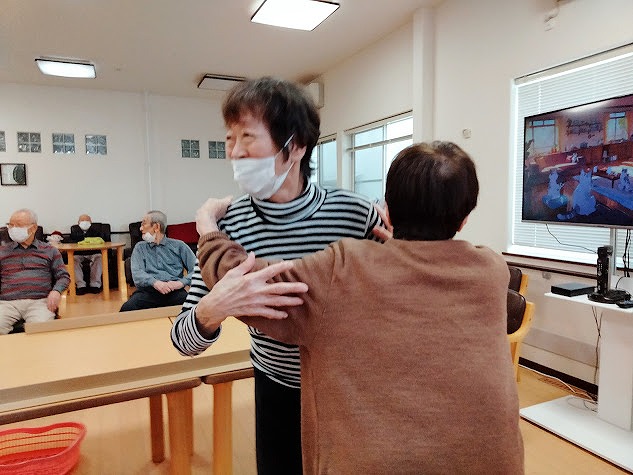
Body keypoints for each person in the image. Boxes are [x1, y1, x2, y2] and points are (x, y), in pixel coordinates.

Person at [194, 142, 524, 474]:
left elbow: (242, 282)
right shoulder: (492, 270)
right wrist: (409, 250)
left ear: (387, 211)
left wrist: (208, 227)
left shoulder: (342, 269)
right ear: (465, 219)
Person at [170, 76, 382, 474]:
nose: (235, 151)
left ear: (296, 145)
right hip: (275, 387)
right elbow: (183, 340)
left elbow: (397, 291)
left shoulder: (355, 214)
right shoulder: (226, 227)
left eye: (247, 137)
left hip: (348, 387)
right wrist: (214, 308)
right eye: (229, 138)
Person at [0, 209, 70, 334]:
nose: (13, 229)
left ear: (33, 228)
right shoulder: (2, 251)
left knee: (40, 331)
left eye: (18, 225)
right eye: (10, 225)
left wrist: (56, 291)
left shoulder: (50, 251)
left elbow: (63, 276)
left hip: (40, 302)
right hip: (7, 303)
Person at [120, 210, 196, 312]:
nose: (140, 228)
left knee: (194, 309)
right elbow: (137, 273)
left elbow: (197, 270)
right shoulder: (140, 247)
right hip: (148, 292)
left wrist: (181, 283)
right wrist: (155, 283)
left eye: (144, 224)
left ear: (156, 227)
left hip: (175, 291)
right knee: (126, 309)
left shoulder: (179, 246)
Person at [68, 214, 104, 294]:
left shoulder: (96, 231)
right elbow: (71, 243)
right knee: (73, 260)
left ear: (91, 222)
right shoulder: (74, 232)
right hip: (79, 254)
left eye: (87, 220)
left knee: (99, 258)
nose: (85, 222)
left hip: (93, 253)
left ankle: (95, 285)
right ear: (78, 222)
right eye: (82, 220)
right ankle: (80, 286)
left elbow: (102, 241)